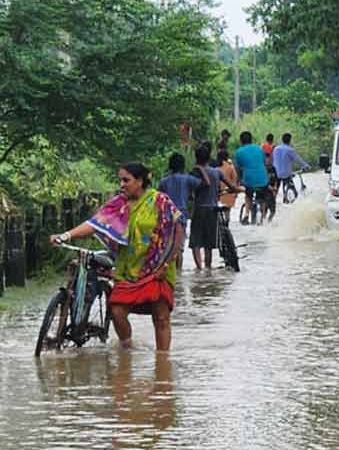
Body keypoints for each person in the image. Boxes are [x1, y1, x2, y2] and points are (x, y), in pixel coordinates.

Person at [49, 163, 183, 351]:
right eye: (120, 180)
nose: (122, 184)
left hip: (157, 269)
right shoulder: (117, 205)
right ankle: (127, 348)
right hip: (127, 270)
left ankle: (162, 364)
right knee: (117, 312)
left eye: (126, 180)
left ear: (140, 181)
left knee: (160, 317)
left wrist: (167, 263)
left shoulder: (160, 202)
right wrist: (66, 235)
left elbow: (177, 232)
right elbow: (95, 224)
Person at [189, 145, 242, 269]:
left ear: (196, 158)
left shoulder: (194, 172)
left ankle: (199, 268)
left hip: (199, 208)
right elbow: (232, 187)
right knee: (209, 243)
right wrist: (238, 189)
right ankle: (208, 268)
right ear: (209, 158)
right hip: (213, 210)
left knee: (196, 241)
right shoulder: (217, 172)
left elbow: (191, 192)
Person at [158, 153, 201, 270]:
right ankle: (179, 273)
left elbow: (159, 199)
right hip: (181, 215)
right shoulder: (187, 179)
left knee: (167, 246)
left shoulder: (163, 181)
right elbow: (202, 184)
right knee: (179, 247)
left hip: (167, 215)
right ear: (182, 166)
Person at [233, 131, 269, 224]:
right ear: (251, 140)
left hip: (249, 180)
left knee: (248, 195)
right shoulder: (260, 149)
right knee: (262, 198)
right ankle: (264, 216)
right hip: (263, 179)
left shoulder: (239, 152)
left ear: (241, 141)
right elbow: (265, 164)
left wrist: (239, 181)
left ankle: (246, 214)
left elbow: (237, 169)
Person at [272, 132, 311, 199]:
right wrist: (306, 166)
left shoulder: (276, 149)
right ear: (290, 140)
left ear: (282, 139)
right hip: (286, 174)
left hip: (275, 173)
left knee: (275, 191)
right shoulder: (290, 150)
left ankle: (273, 200)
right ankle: (287, 199)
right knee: (294, 194)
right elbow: (298, 159)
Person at [214, 148, 240, 223]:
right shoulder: (230, 167)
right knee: (227, 214)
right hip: (228, 193)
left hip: (217, 193)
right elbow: (235, 179)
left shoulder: (215, 168)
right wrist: (235, 192)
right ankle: (226, 227)